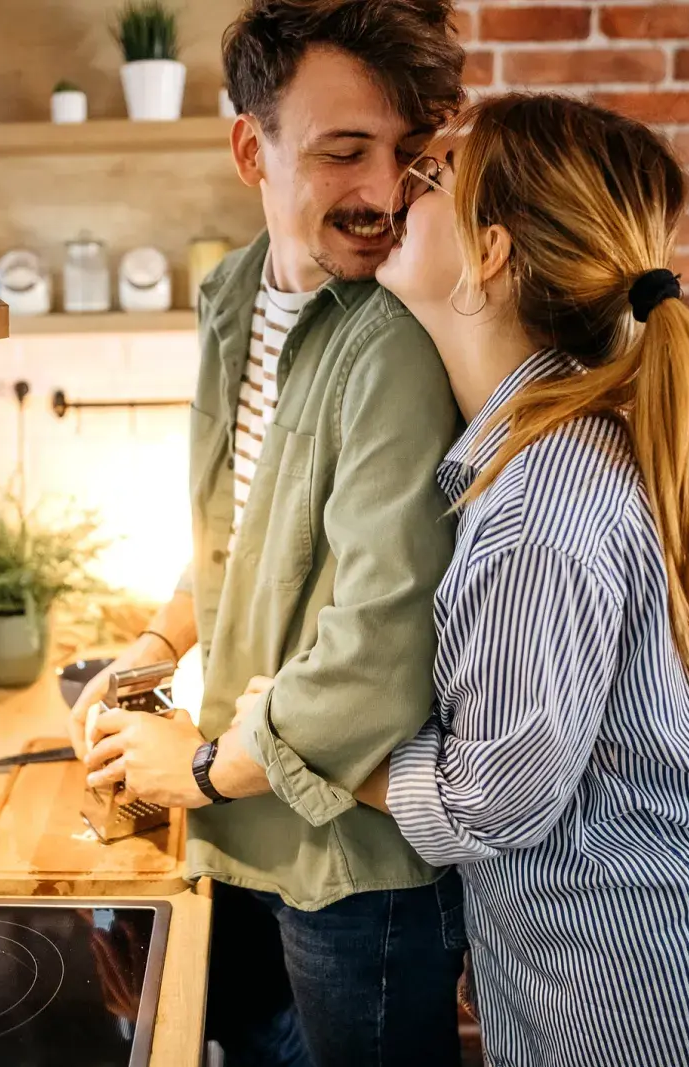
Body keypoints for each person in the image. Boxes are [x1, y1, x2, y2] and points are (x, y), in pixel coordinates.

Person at [353, 93, 689, 1066]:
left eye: (433, 176)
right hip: (659, 966)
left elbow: (488, 798)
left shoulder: (536, 512)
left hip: (669, 999)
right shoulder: (548, 455)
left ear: (490, 252)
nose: (399, 190)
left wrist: (302, 749)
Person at [71, 2, 468, 1064]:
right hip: (242, 818)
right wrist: (158, 644)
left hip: (350, 859)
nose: (385, 192)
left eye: (410, 154)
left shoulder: (395, 341)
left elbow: (382, 649)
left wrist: (193, 769)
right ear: (252, 146)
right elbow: (236, 529)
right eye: (345, 152)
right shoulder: (231, 294)